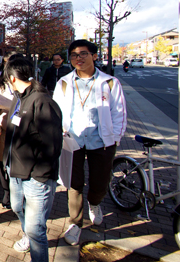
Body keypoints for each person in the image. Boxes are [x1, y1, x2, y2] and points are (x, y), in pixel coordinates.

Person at [53, 39, 127, 246]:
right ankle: (75, 223)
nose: (79, 58)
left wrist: (115, 139)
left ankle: (95, 203)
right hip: (72, 141)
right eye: (74, 55)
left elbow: (119, 113)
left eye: (83, 54)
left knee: (100, 181)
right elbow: (57, 111)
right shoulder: (64, 83)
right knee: (73, 184)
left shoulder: (110, 83)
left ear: (94, 56)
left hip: (102, 142)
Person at [2, 58, 63, 261]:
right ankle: (27, 235)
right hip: (15, 171)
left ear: (12, 78)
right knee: (17, 207)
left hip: (36, 177)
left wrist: (40, 175)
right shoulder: (19, 99)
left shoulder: (42, 101)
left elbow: (52, 144)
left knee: (37, 229)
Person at [0, 52, 24, 209]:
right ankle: (7, 192)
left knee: (18, 163)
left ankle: (19, 194)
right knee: (3, 162)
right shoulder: (1, 83)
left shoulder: (28, 83)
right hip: (4, 127)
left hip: (22, 130)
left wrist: (8, 105)